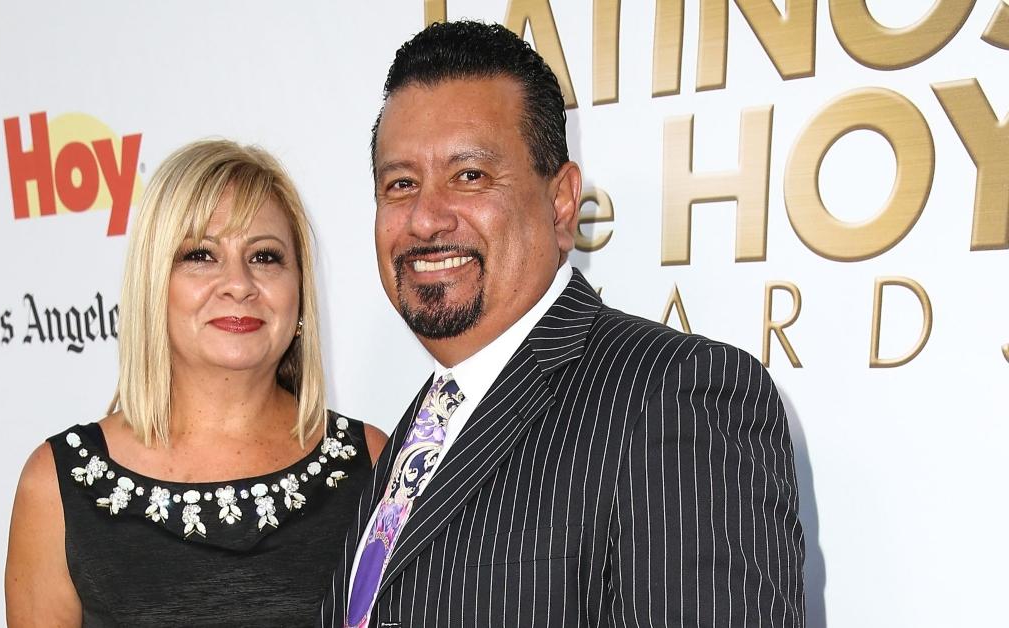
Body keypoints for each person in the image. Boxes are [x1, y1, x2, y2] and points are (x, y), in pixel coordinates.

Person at [321, 21, 805, 627]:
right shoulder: (425, 422)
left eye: (469, 176)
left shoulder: (677, 396)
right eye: (401, 184)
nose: (425, 219)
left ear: (561, 203)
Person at [5, 139, 387, 627]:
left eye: (266, 257)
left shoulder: (372, 464)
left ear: (299, 294)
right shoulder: (55, 485)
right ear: (153, 286)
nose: (239, 283)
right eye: (202, 255)